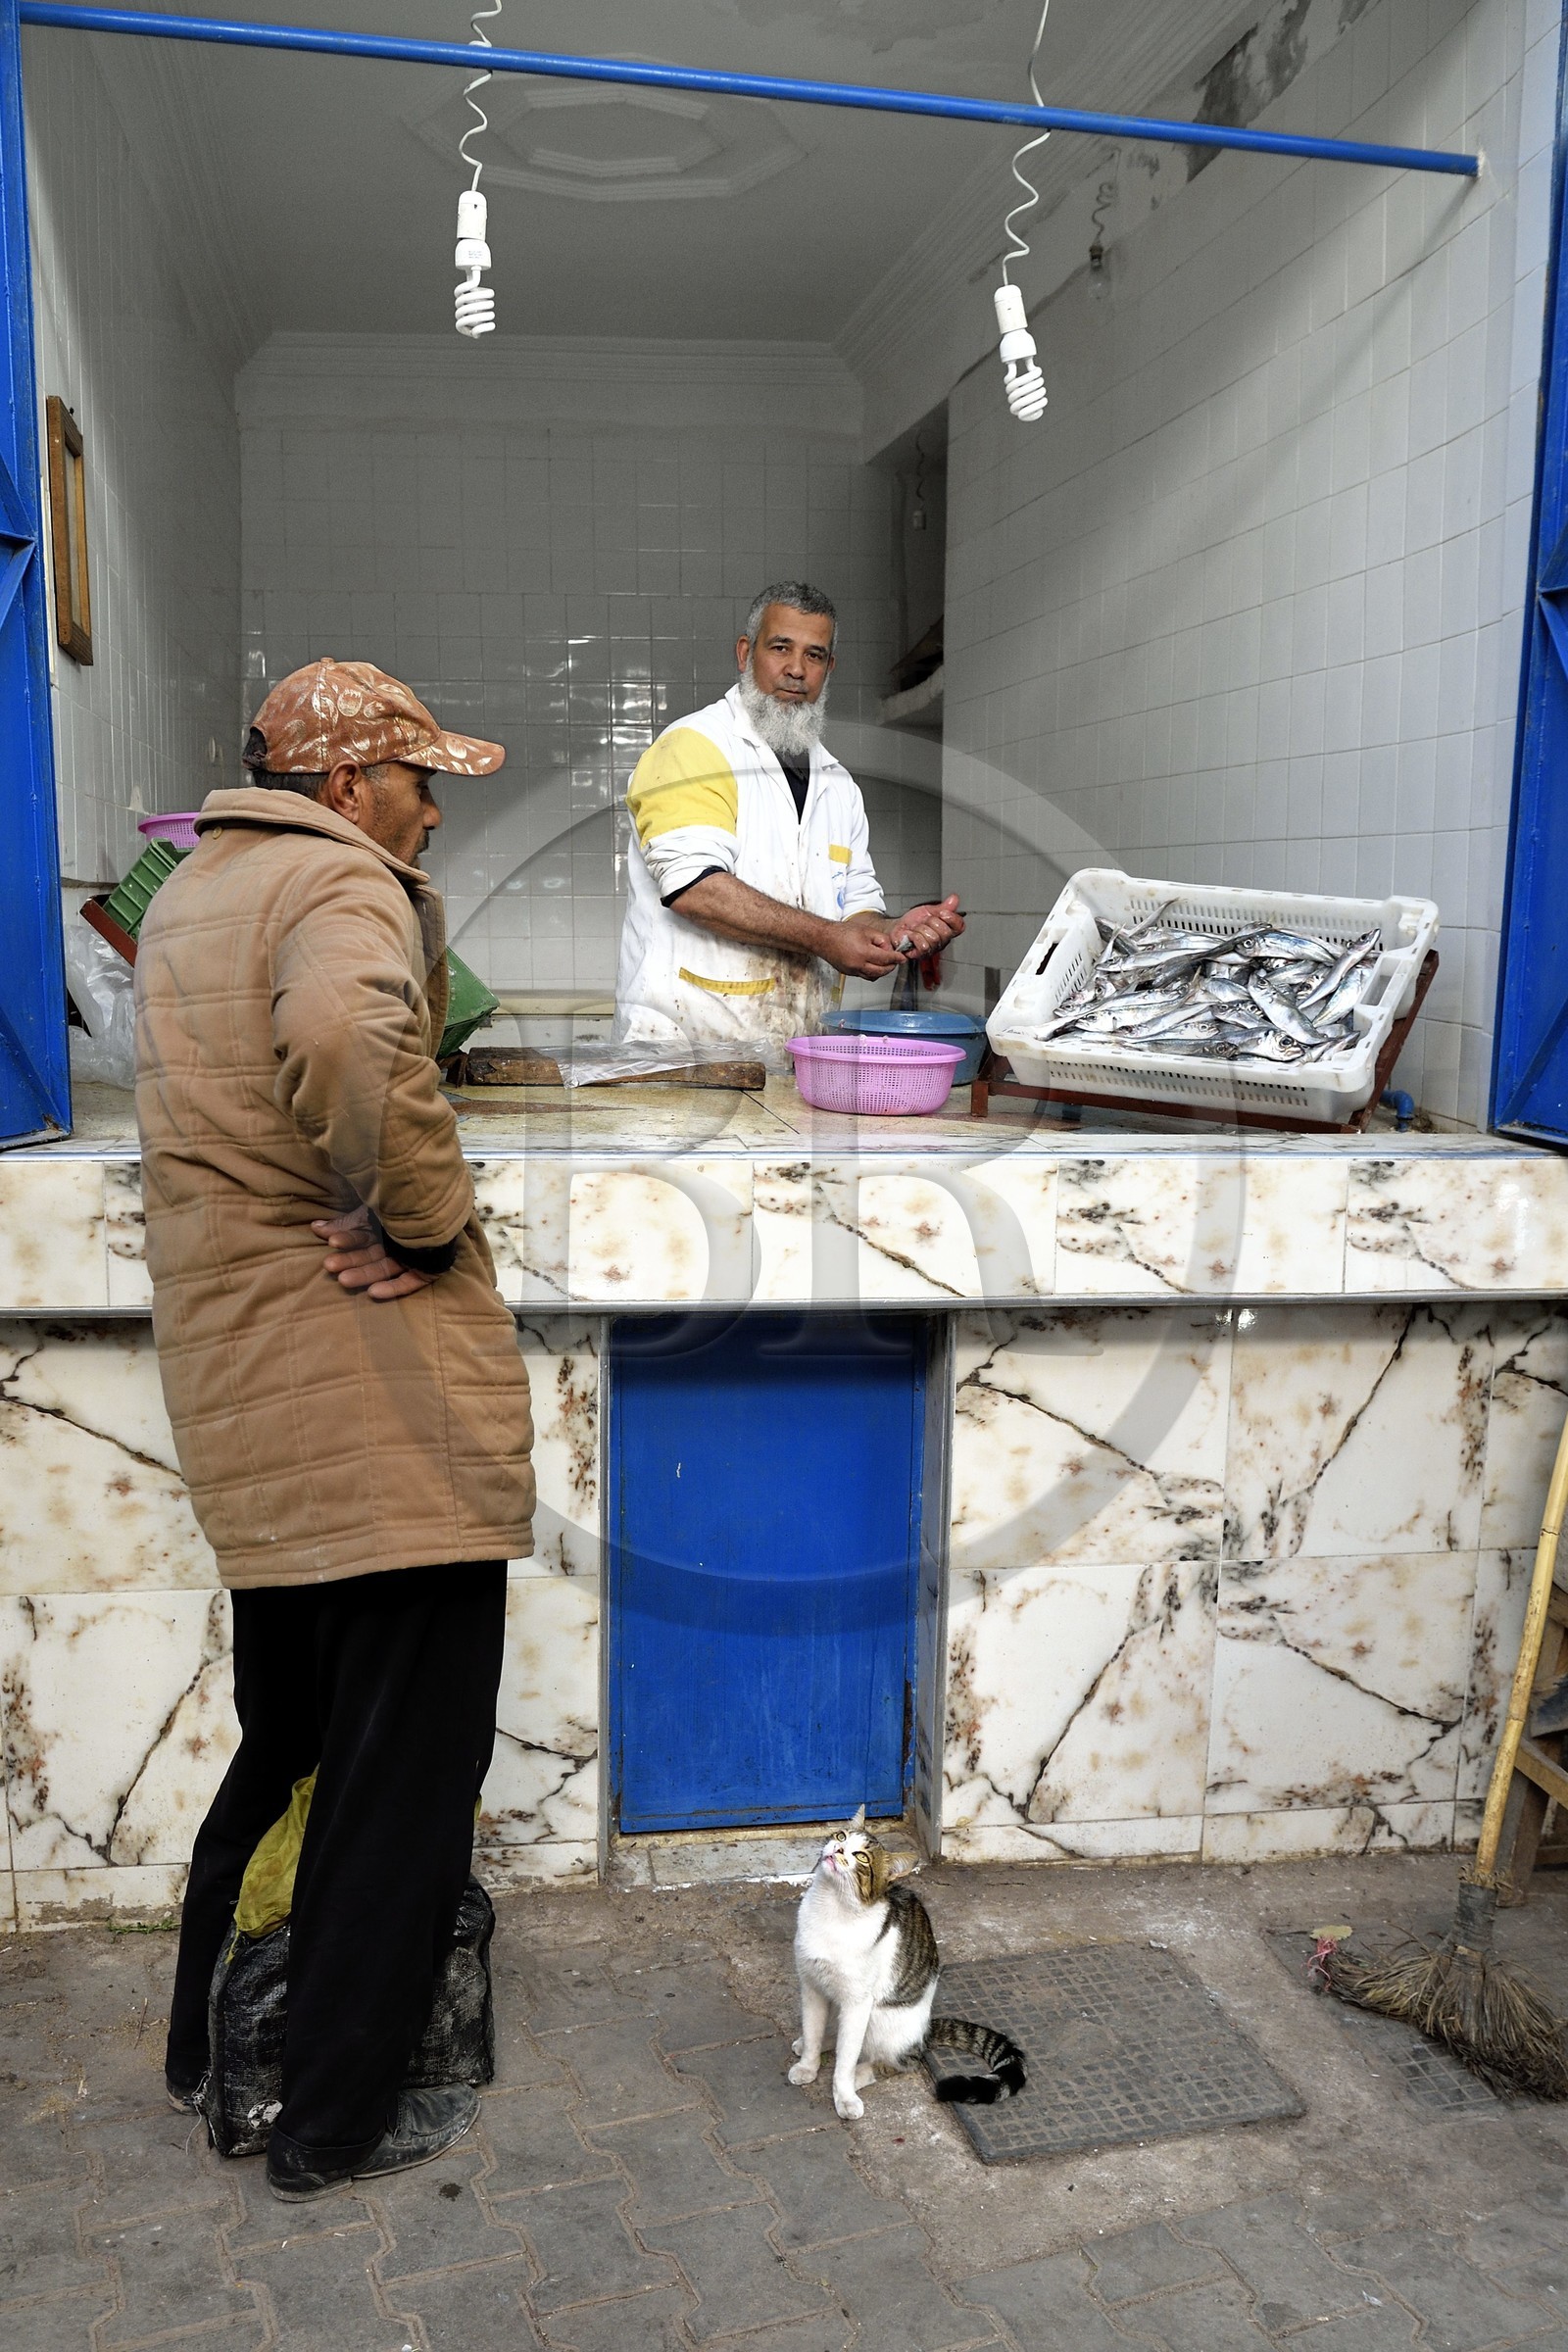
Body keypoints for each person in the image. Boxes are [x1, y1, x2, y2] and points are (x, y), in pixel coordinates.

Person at [134, 658, 536, 2203]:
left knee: (293, 1749)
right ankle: (333, 2119)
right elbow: (346, 1040)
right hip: (372, 1413)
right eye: (421, 778)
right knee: (401, 1778)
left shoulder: (193, 889)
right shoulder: (340, 887)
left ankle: (208, 2050)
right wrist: (427, 1224)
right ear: (351, 783)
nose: (433, 809)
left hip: (256, 1404)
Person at [614, 581, 964, 1054]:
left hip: (793, 1056)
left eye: (815, 655)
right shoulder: (694, 747)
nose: (797, 670)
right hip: (681, 1048)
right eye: (781, 648)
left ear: (829, 668)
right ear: (745, 653)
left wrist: (896, 930)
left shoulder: (838, 786)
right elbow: (693, 888)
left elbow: (856, 910)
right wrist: (827, 938)